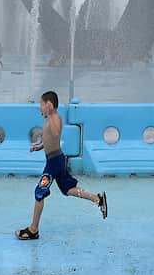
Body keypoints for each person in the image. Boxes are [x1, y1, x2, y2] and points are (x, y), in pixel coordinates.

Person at [15, 91, 106, 240]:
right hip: (56, 159)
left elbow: (56, 134)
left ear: (49, 104)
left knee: (39, 192)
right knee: (68, 189)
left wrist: (50, 114)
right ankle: (98, 199)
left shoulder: (55, 118)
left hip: (54, 163)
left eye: (41, 105)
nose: (40, 108)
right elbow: (51, 139)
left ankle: (33, 229)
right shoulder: (50, 119)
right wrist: (40, 146)